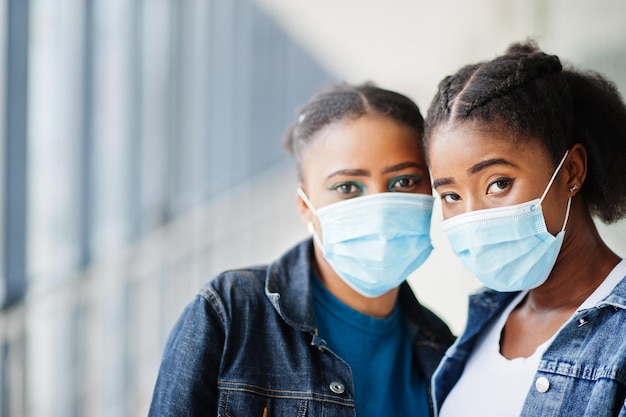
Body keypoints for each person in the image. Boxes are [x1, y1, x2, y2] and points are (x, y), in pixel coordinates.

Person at [148, 83, 454, 416]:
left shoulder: (443, 352)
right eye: (347, 187)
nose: (378, 207)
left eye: (404, 182)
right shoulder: (231, 312)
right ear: (304, 205)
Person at [423, 40, 626, 417]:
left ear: (570, 172)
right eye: (450, 196)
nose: (473, 216)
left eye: (498, 183)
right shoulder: (485, 318)